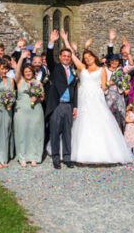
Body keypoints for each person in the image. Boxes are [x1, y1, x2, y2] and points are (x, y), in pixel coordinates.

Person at [64, 30, 134, 165]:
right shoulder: (82, 68)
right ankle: (82, 155)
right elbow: (72, 56)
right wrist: (66, 41)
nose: (87, 59)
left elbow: (104, 86)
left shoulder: (102, 69)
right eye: (85, 58)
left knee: (98, 124)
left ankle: (102, 155)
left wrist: (111, 83)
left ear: (94, 57)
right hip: (83, 98)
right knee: (83, 125)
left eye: (89, 56)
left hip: (96, 98)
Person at [44, 29, 78, 169]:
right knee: (55, 132)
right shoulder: (56, 68)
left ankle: (67, 157)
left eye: (68, 56)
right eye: (63, 56)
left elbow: (75, 90)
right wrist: (51, 42)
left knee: (67, 133)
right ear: (60, 57)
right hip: (57, 104)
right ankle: (56, 158)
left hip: (68, 105)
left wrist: (75, 106)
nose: (66, 58)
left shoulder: (74, 71)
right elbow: (49, 58)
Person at [14, 64, 45, 166]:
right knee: (22, 133)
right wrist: (21, 58)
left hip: (36, 111)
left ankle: (34, 156)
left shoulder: (38, 83)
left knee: (35, 133)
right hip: (22, 112)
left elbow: (43, 97)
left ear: (33, 72)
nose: (28, 73)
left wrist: (37, 98)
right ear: (23, 72)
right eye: (26, 71)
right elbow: (17, 71)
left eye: (30, 71)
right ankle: (22, 157)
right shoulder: (19, 82)